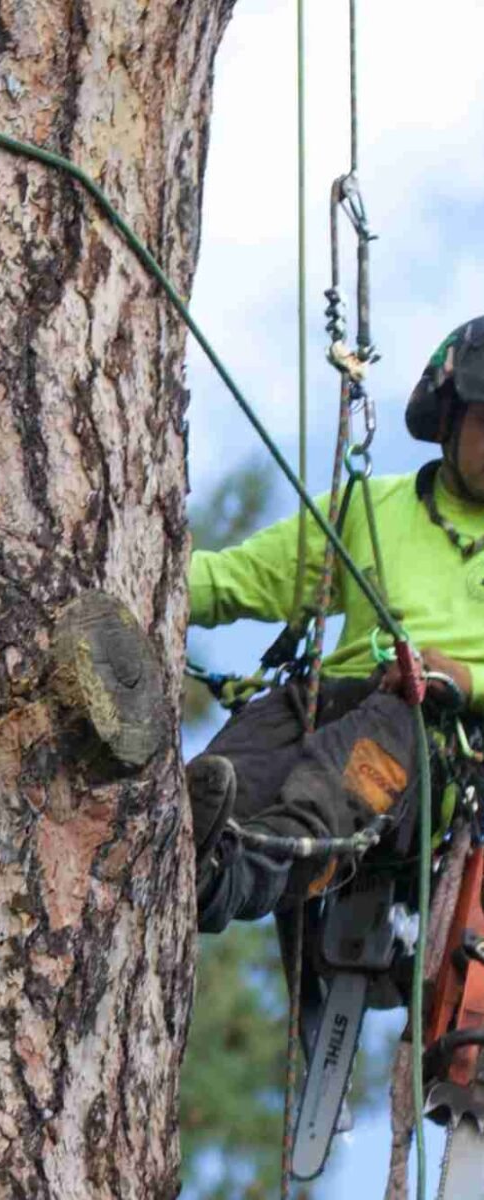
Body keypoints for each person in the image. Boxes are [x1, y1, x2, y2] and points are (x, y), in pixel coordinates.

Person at [188, 316, 484, 933]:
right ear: (449, 417)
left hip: (434, 749)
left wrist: (464, 679)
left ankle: (248, 867)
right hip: (333, 705)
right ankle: (182, 848)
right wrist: (143, 583)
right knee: (267, 729)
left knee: (396, 717)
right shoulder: (371, 509)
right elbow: (238, 578)